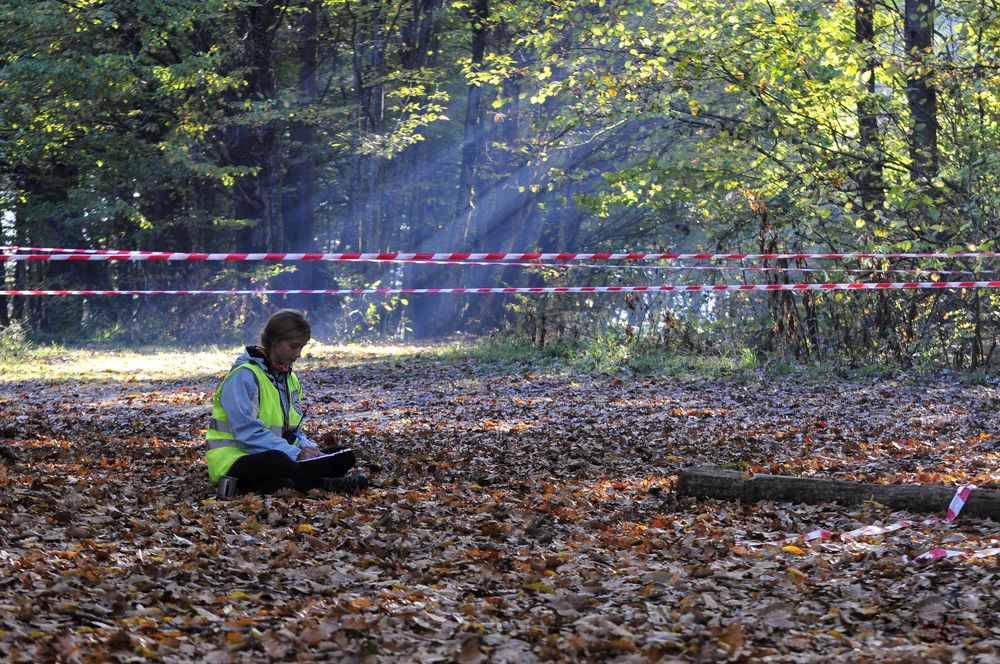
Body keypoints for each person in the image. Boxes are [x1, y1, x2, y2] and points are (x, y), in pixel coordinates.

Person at [205, 309, 367, 495]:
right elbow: (247, 434)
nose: (298, 354)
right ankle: (321, 485)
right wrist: (294, 454)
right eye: (294, 346)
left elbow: (292, 432)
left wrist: (308, 448)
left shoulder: (289, 378)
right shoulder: (245, 376)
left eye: (302, 347)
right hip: (234, 460)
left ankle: (279, 484)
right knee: (277, 460)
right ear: (274, 340)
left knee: (343, 455)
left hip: (276, 455)